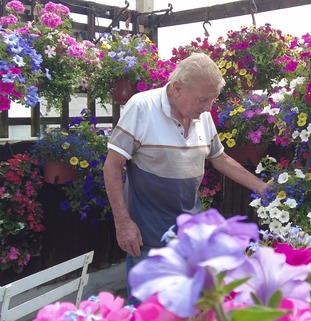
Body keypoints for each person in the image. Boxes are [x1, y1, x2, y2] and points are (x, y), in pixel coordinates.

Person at [102, 53, 268, 302]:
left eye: (212, 100)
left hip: (189, 240)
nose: (209, 107)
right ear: (177, 88)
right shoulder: (141, 107)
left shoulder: (200, 117)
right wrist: (123, 223)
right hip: (149, 240)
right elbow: (112, 167)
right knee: (150, 314)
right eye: (203, 99)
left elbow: (219, 158)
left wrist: (262, 187)